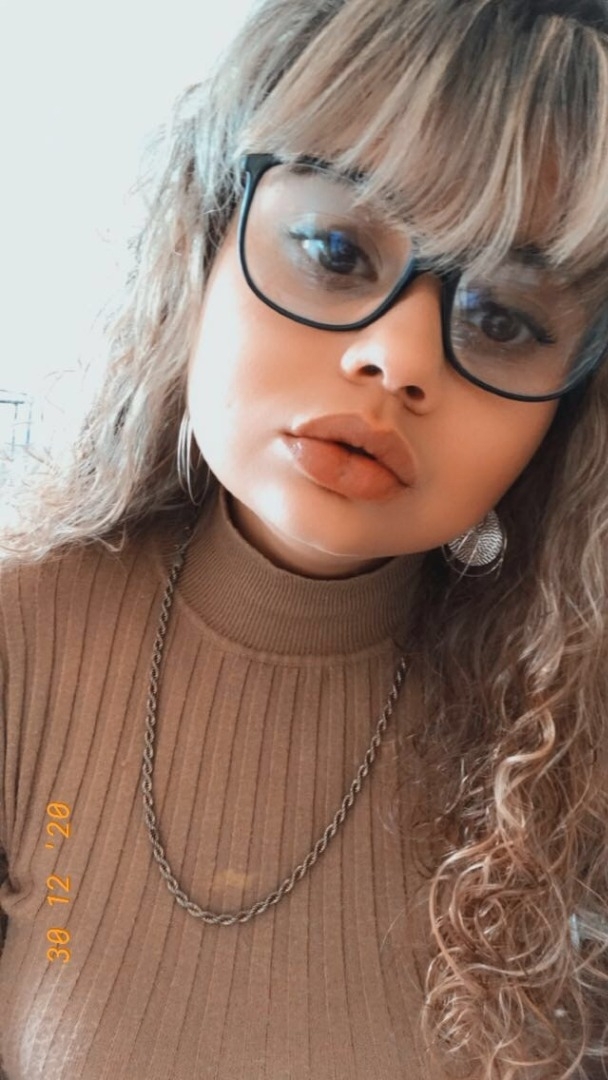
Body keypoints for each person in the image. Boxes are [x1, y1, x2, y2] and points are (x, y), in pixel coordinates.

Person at [1, 0, 607, 1076]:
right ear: (207, 236)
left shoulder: (571, 750)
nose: (396, 360)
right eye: (336, 249)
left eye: (501, 319)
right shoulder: (21, 643)